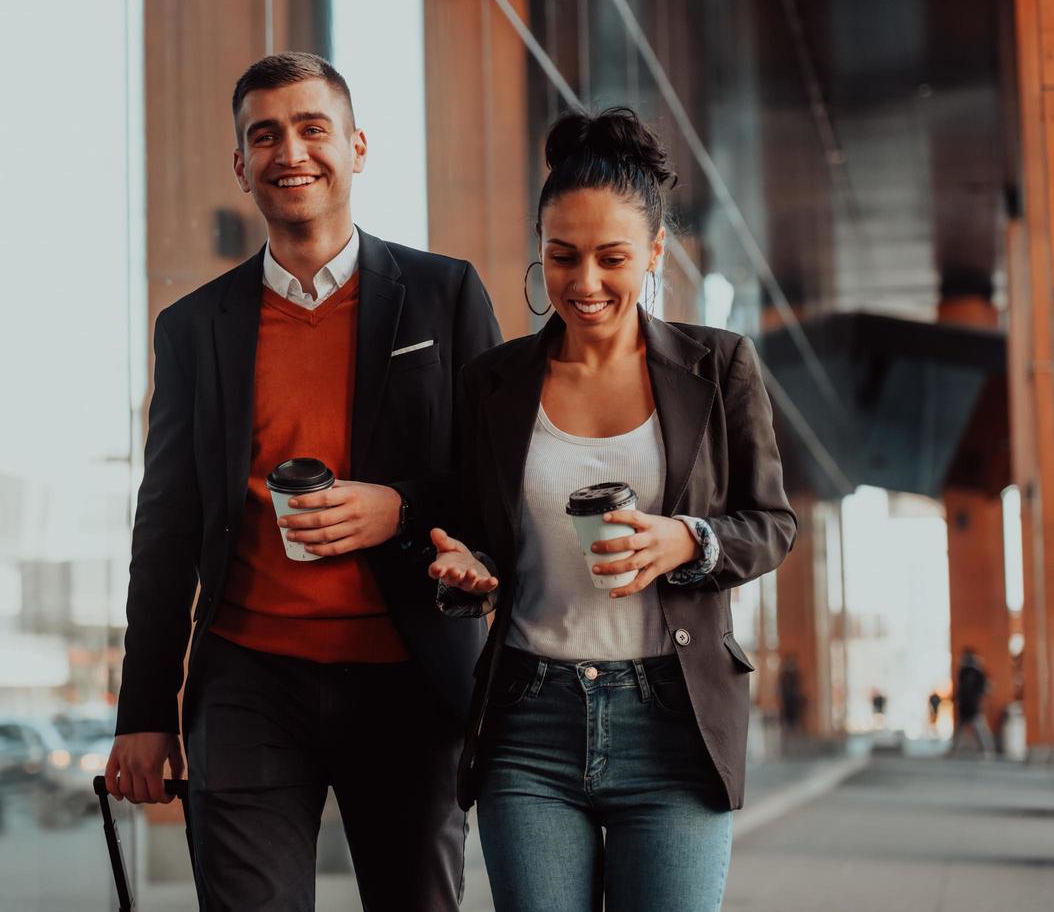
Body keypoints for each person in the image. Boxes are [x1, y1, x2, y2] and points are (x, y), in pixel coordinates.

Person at [104, 52, 501, 911]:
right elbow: (166, 525)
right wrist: (144, 712)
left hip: (409, 676)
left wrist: (399, 508)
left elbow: (499, 481)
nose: (292, 150)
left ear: (356, 147)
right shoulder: (192, 329)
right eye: (266, 135)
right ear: (240, 166)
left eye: (313, 127)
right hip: (249, 684)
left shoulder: (445, 294)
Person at [426, 108, 796, 912]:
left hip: (674, 720)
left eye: (611, 258)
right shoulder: (491, 383)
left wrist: (686, 540)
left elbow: (771, 524)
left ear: (656, 253)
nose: (584, 282)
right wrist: (467, 571)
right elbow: (476, 538)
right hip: (528, 719)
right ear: (540, 249)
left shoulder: (719, 365)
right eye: (562, 257)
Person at [950, 647, 993, 756]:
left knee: (979, 729)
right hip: (968, 706)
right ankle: (987, 751)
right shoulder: (967, 672)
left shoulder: (972, 673)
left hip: (971, 706)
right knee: (969, 730)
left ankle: (987, 750)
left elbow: (983, 688)